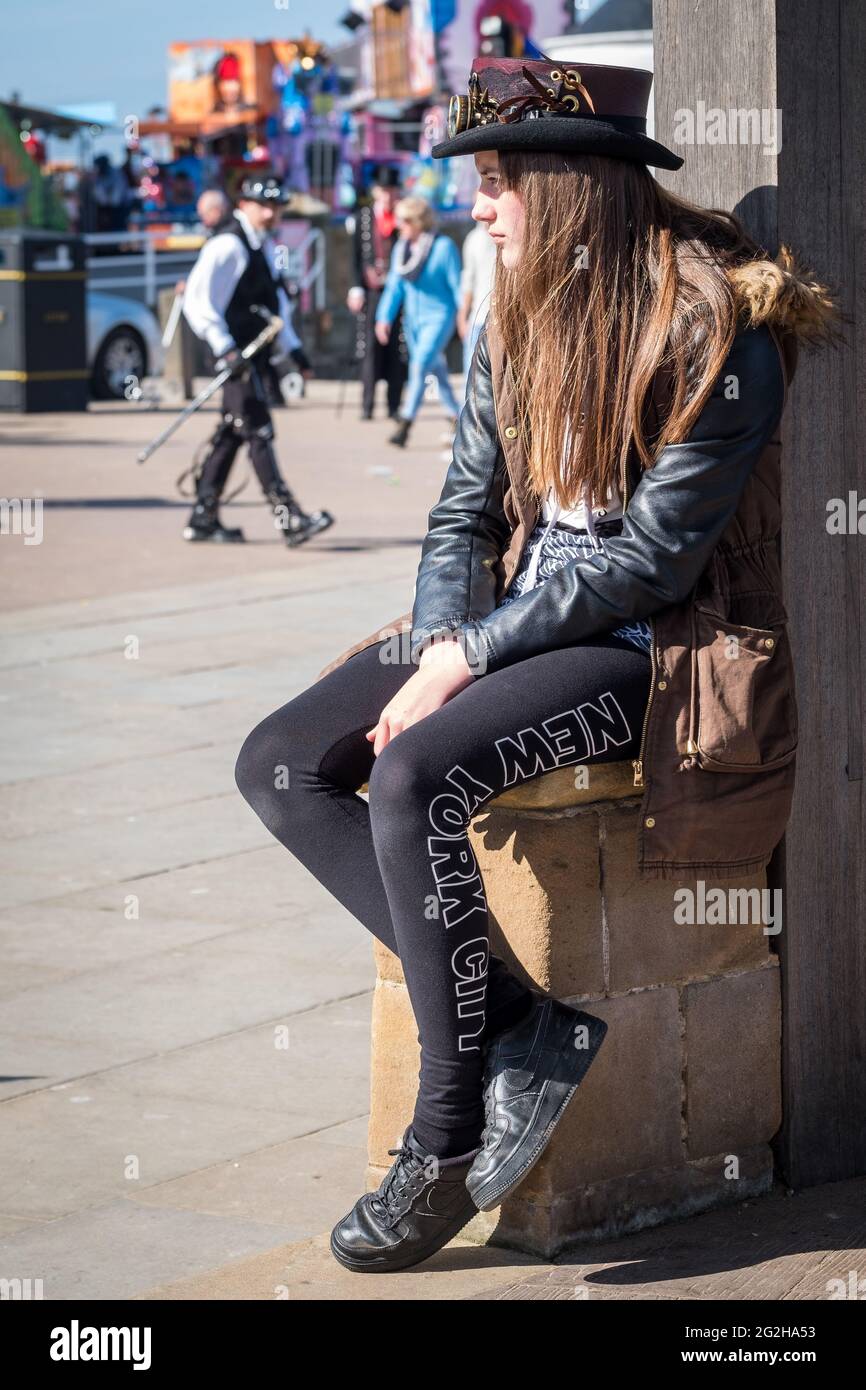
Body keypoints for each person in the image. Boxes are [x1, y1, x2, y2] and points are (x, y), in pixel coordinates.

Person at [233, 57, 838, 1273]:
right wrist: (439, 645)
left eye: (496, 181)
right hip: (511, 623)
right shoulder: (507, 315)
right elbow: (462, 513)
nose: (478, 207)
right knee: (283, 763)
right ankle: (514, 1016)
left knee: (413, 785)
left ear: (568, 185)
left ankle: (447, 1136)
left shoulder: (711, 324)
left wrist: (461, 660)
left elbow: (650, 567)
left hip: (647, 652)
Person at [180, 174, 334, 545]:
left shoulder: (261, 244)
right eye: (264, 206)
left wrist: (293, 350)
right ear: (244, 204)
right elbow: (198, 302)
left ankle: (203, 517)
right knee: (258, 431)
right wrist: (225, 349)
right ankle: (289, 518)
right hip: (235, 359)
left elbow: (274, 305)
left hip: (254, 356)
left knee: (233, 433)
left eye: (276, 207)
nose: (270, 213)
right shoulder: (227, 246)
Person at [374, 196, 463, 448]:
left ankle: (405, 423)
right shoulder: (402, 249)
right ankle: (457, 416)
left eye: (404, 221)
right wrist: (384, 318)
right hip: (413, 319)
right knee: (436, 370)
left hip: (440, 316)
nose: (398, 225)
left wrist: (463, 317)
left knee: (420, 363)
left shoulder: (443, 247)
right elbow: (394, 286)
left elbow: (457, 285)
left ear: (418, 221)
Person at [346, 165, 409, 421]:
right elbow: (355, 257)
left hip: (397, 292)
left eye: (392, 191)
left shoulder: (404, 218)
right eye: (384, 191)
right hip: (371, 293)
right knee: (369, 350)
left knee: (397, 350)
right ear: (375, 192)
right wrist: (356, 287)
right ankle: (367, 405)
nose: (388, 196)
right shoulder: (363, 216)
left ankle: (394, 406)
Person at [457, 217, 497, 394]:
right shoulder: (474, 239)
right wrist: (463, 314)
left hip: (492, 317)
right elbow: (468, 280)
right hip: (479, 317)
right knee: (473, 376)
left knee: (481, 377)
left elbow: (468, 280)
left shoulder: (478, 238)